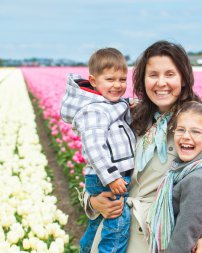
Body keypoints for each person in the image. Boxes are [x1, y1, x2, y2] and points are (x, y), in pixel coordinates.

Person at [83, 40, 202, 253]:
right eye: (153, 75)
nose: (161, 83)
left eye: (170, 74)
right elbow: (98, 167)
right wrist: (93, 201)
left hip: (157, 240)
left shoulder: (198, 128)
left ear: (183, 79)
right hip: (114, 237)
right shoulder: (126, 120)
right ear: (143, 80)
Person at [60, 47, 136, 253]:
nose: (118, 85)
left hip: (105, 176)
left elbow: (116, 105)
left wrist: (130, 103)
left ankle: (86, 248)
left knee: (99, 223)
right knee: (117, 224)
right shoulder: (93, 111)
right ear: (93, 81)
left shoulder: (105, 104)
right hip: (108, 177)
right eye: (110, 80)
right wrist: (110, 176)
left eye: (122, 80)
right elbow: (94, 147)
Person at [147, 101, 202, 253]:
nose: (186, 136)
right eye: (180, 130)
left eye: (195, 132)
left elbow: (183, 241)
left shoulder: (198, 181)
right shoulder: (196, 171)